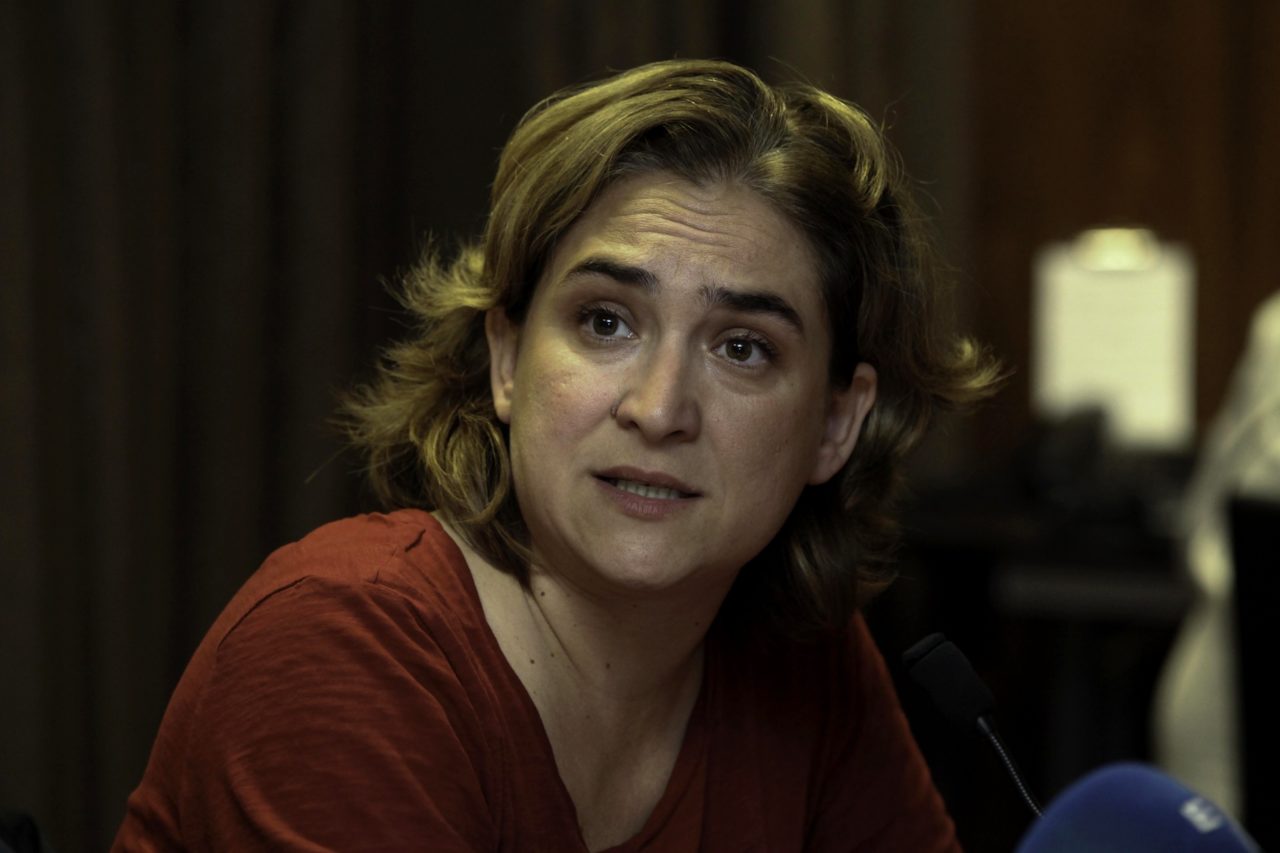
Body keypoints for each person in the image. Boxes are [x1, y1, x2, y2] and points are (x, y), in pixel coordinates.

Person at [113, 58, 999, 851]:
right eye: (606, 322)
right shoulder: (341, 642)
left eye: (742, 348)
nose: (658, 409)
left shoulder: (807, 662)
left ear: (835, 425)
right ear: (507, 360)